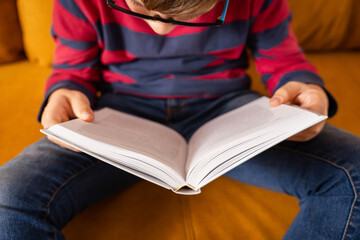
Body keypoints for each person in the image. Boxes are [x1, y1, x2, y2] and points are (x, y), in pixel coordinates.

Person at [0, 0, 359, 239]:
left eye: (191, 11)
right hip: (117, 113)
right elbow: (72, 69)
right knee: (6, 199)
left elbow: (283, 60)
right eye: (138, 5)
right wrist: (64, 91)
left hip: (226, 108)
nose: (161, 30)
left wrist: (308, 88)